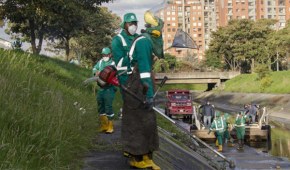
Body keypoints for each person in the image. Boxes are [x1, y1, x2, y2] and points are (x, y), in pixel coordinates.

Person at [121, 11, 164, 170]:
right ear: (155, 32)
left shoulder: (145, 41)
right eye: (160, 34)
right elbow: (144, 70)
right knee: (141, 122)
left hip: (137, 84)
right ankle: (139, 159)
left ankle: (142, 157)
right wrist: (149, 94)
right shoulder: (144, 42)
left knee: (142, 120)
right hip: (137, 85)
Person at [111, 13, 139, 90]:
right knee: (130, 100)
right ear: (124, 25)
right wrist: (132, 55)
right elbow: (119, 63)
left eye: (135, 23)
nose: (133, 25)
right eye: (130, 23)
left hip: (139, 75)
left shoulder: (139, 37)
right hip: (125, 78)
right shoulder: (117, 40)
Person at [92, 47, 116, 134]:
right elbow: (94, 68)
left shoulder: (113, 63)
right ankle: (104, 125)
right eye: (103, 55)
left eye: (106, 55)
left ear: (110, 55)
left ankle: (110, 126)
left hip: (109, 88)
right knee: (100, 106)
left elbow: (115, 74)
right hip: (100, 88)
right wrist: (96, 72)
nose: (105, 56)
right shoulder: (101, 62)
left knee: (108, 106)